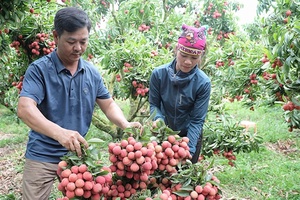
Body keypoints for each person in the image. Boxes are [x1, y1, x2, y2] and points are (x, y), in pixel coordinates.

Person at [17, 7, 142, 200]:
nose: (78, 48)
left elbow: (108, 105)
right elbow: (25, 108)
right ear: (56, 36)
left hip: (79, 156)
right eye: (71, 42)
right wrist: (60, 133)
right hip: (42, 154)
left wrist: (124, 124)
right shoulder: (39, 70)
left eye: (83, 42)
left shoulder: (91, 73)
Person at [149, 24, 211, 164]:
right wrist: (158, 120)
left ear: (200, 56)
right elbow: (154, 103)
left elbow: (197, 120)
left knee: (183, 178)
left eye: (194, 58)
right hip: (164, 133)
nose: (188, 62)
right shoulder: (159, 75)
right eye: (183, 55)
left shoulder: (203, 83)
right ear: (176, 49)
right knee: (161, 176)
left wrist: (188, 149)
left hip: (190, 134)